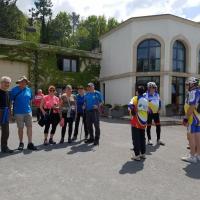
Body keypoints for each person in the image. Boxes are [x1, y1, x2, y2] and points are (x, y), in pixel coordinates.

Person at [10, 76, 37, 150]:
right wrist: (11, 113)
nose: (23, 83)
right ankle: (21, 143)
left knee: (29, 127)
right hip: (18, 113)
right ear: (19, 82)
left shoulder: (28, 90)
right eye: (22, 81)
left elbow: (30, 100)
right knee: (20, 128)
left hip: (28, 112)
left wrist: (30, 109)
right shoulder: (14, 90)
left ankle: (30, 143)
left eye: (25, 82)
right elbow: (10, 101)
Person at [182, 77, 200, 163]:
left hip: (193, 118)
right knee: (197, 136)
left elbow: (192, 106)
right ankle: (197, 155)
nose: (186, 86)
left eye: (187, 84)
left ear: (192, 84)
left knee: (191, 137)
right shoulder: (198, 91)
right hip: (198, 118)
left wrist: (186, 118)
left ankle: (192, 156)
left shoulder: (193, 92)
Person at [128, 85, 148, 161]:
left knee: (136, 138)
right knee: (142, 138)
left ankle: (137, 155)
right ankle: (143, 153)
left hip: (136, 121)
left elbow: (130, 105)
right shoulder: (146, 100)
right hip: (143, 121)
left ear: (137, 92)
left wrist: (132, 111)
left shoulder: (135, 98)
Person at [0, 76, 13, 153]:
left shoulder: (8, 92)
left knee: (6, 131)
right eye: (6, 82)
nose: (7, 84)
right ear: (1, 82)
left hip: (5, 113)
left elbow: (9, 104)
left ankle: (4, 147)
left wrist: (10, 114)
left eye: (8, 83)